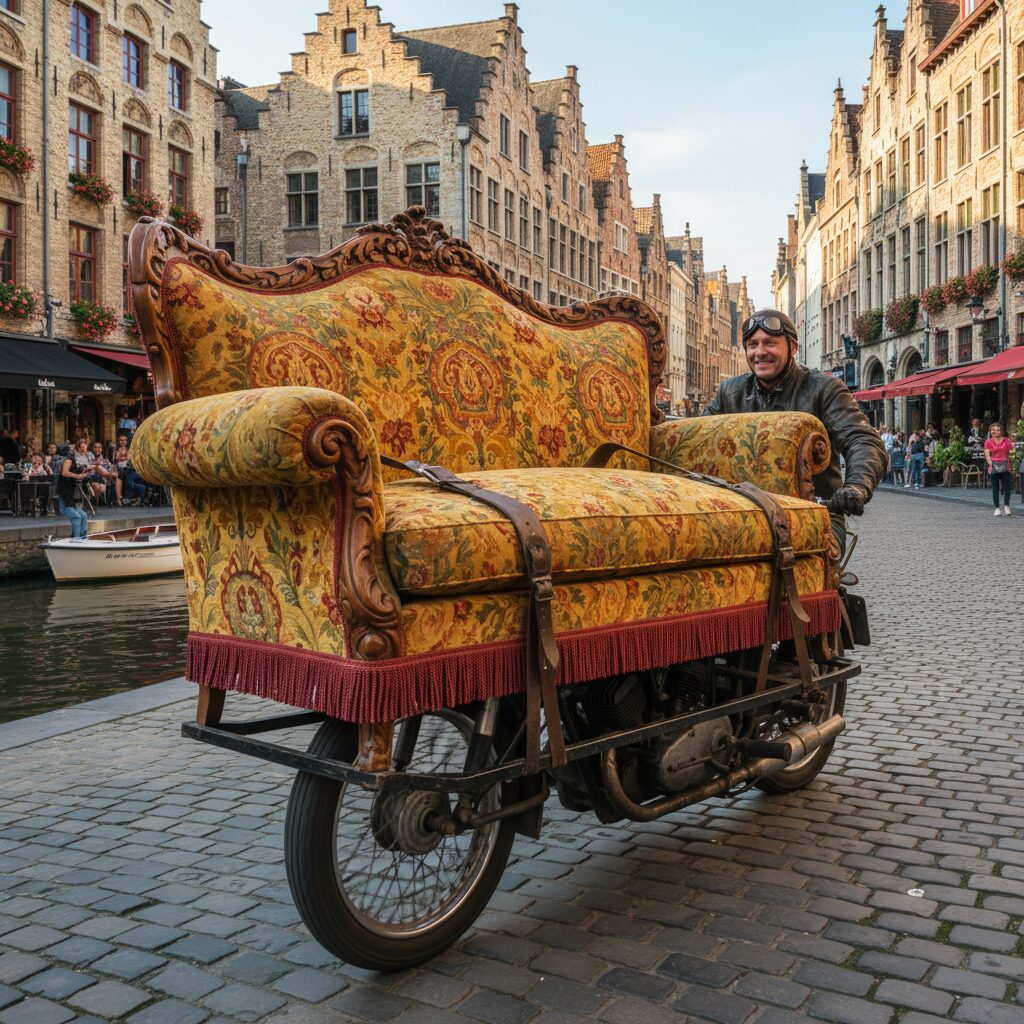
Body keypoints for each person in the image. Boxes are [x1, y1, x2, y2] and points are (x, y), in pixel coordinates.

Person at [703, 309, 887, 552]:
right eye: (752, 344)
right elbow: (698, 440)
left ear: (793, 347)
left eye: (770, 343)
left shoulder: (824, 389)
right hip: (745, 514)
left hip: (816, 512)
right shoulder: (730, 393)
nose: (760, 352)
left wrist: (856, 487)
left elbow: (862, 440)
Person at [57, 453, 90, 538]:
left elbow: (80, 474)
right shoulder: (69, 459)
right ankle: (76, 539)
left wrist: (87, 471)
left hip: (70, 497)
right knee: (76, 517)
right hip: (63, 496)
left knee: (83, 516)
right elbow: (64, 473)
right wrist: (78, 476)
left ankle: (83, 538)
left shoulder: (75, 465)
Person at [984, 422, 1013, 517]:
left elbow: (1012, 451)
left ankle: (1006, 506)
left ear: (1001, 431)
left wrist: (1010, 460)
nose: (994, 431)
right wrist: (991, 464)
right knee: (995, 489)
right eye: (993, 430)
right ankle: (997, 508)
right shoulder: (988, 441)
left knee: (1007, 488)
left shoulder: (1007, 440)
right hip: (993, 466)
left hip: (1006, 466)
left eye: (997, 430)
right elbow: (987, 455)